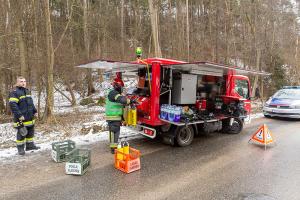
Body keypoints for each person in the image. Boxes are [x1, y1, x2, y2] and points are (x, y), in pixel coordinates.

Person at [9, 76, 40, 155]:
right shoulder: (14, 92)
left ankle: (30, 145)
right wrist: (19, 115)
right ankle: (20, 148)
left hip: (30, 117)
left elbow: (31, 103)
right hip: (21, 118)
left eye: (24, 81)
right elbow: (13, 105)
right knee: (22, 133)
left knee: (30, 132)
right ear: (17, 83)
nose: (23, 83)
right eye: (21, 81)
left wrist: (35, 111)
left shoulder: (27, 91)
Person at [105, 77, 134, 154]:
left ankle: (114, 147)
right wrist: (130, 101)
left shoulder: (113, 93)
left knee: (115, 132)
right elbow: (122, 100)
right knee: (114, 132)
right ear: (118, 86)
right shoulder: (113, 93)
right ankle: (113, 148)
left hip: (115, 117)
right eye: (121, 87)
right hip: (113, 117)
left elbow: (120, 102)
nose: (122, 89)